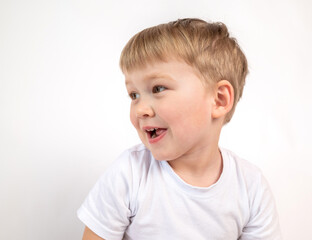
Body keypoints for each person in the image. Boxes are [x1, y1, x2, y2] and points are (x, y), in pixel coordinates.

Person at [77, 18, 282, 240]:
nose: (140, 110)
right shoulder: (130, 174)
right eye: (134, 95)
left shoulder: (251, 188)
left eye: (158, 88)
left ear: (219, 99)